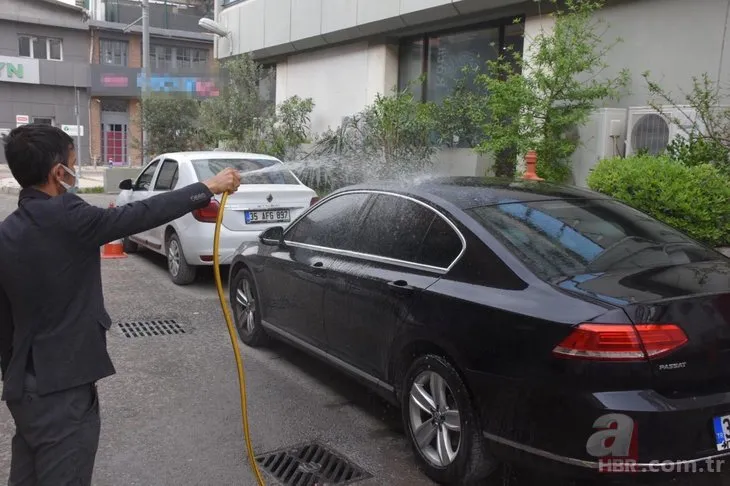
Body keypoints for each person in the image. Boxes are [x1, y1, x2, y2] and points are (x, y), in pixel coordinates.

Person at [0, 124, 240, 485]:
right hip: (63, 393)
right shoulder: (69, 215)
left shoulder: (7, 230)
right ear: (57, 173)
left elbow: (5, 322)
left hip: (24, 391)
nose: (75, 171)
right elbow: (140, 214)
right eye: (72, 163)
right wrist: (207, 187)